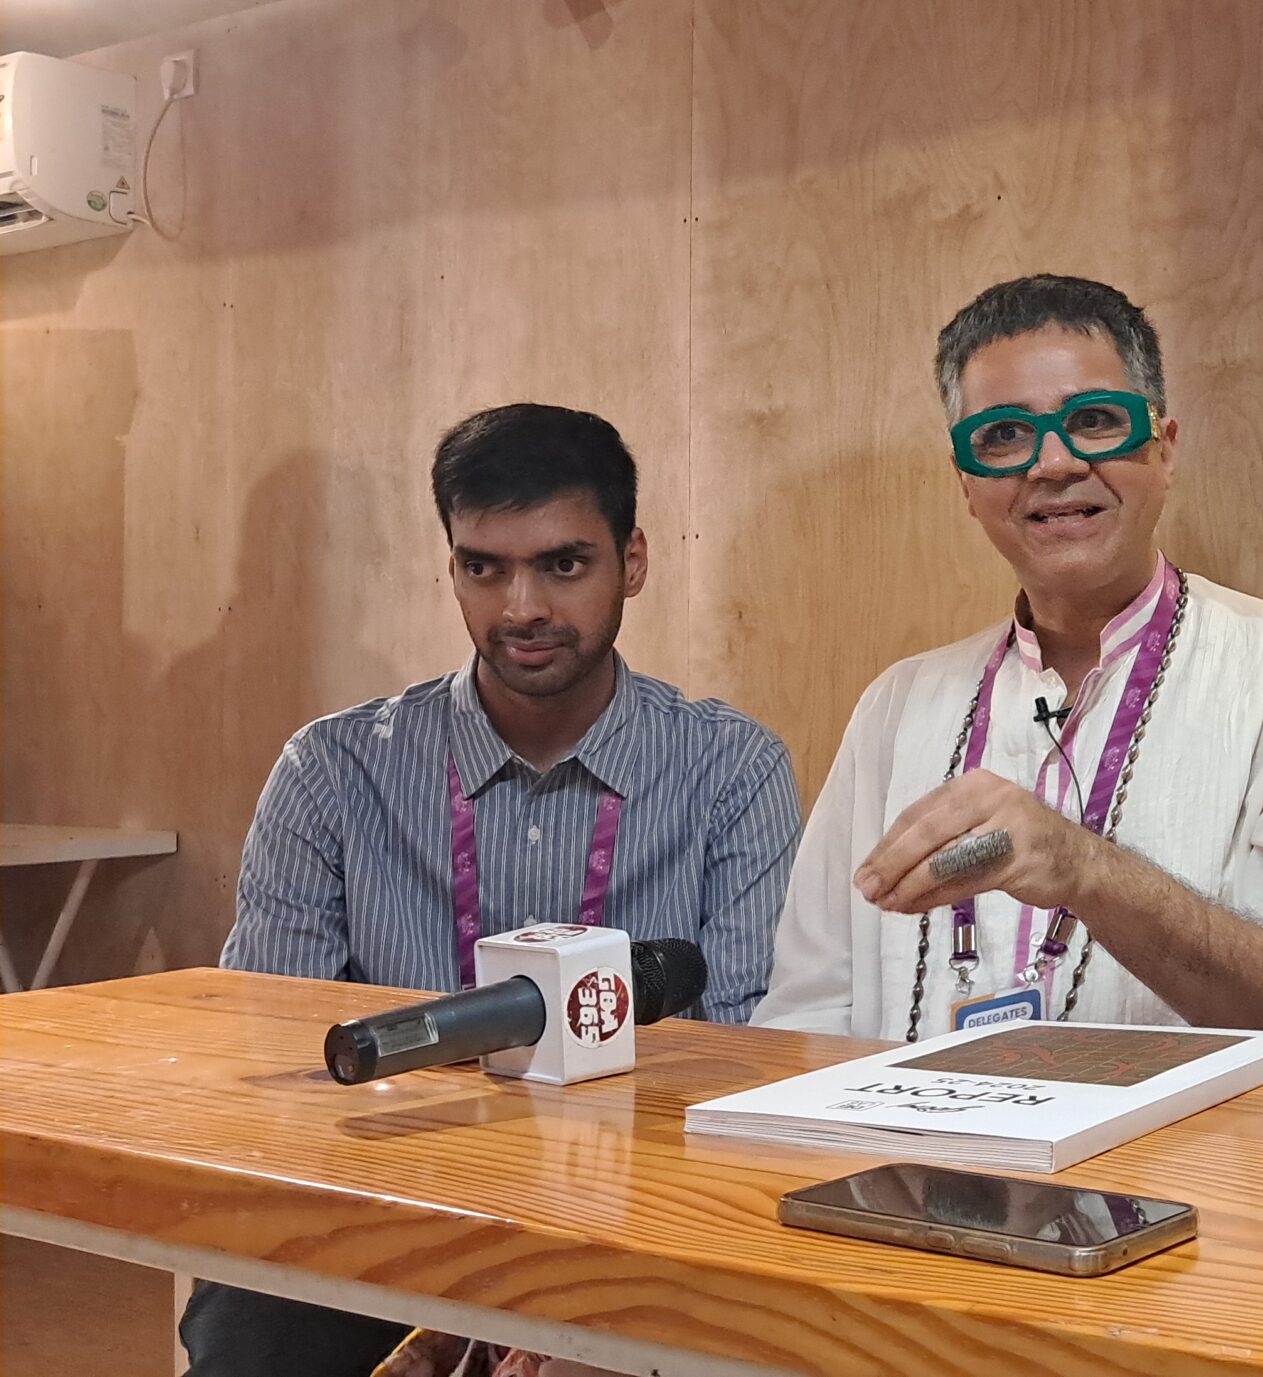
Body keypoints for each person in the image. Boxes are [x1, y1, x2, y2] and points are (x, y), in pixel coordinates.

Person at [185, 403, 801, 1377]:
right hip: (375, 1209)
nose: (521, 607)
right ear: (453, 568)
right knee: (252, 1326)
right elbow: (275, 1053)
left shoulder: (730, 770)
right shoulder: (333, 770)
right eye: (485, 567)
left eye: (563, 564)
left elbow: (745, 1064)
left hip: (640, 1229)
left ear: (632, 561)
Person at [756, 275, 1263, 1092]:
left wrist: (1086, 870)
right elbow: (805, 1023)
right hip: (917, 1167)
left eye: (1094, 421)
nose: (1054, 462)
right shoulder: (897, 708)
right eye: (1004, 435)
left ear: (1165, 447)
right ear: (967, 484)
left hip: (1202, 1176)